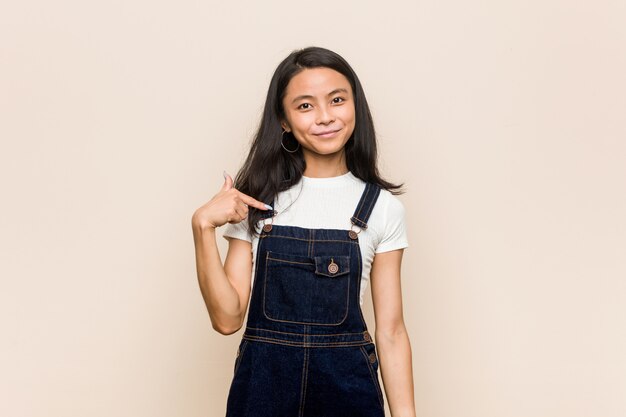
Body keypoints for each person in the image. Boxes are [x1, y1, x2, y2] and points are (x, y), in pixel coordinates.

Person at [191, 46, 416, 417]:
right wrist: (201, 228)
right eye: (305, 106)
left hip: (349, 394)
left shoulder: (382, 209)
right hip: (262, 392)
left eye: (337, 100)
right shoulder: (256, 202)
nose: (325, 117)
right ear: (283, 120)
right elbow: (227, 319)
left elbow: (391, 332)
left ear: (354, 105)